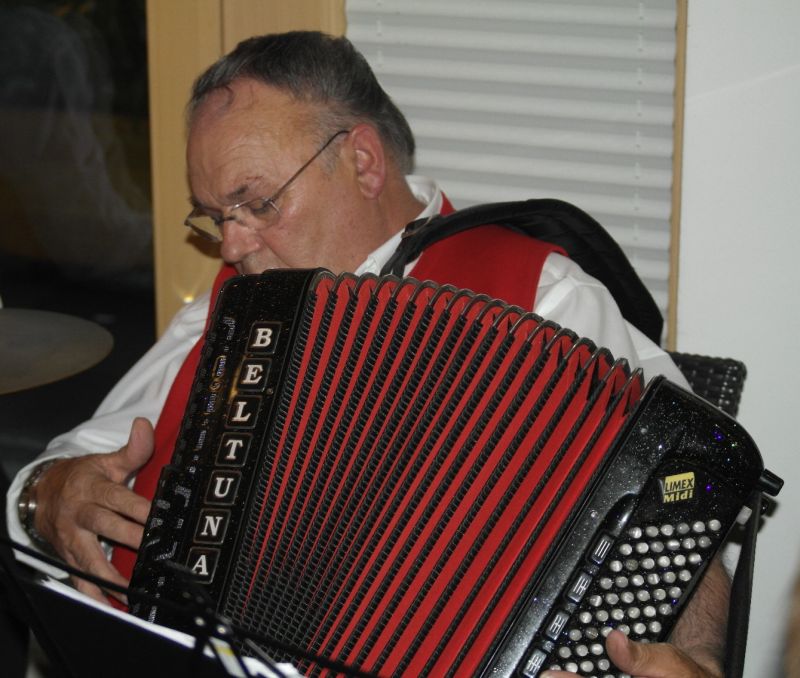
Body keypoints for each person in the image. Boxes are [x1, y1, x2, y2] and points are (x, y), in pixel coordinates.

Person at [6, 31, 727, 678]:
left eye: (256, 204)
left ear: (361, 161)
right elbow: (82, 459)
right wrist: (50, 492)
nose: (230, 245)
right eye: (215, 215)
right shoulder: (230, 308)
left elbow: (684, 491)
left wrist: (694, 660)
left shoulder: (545, 299)